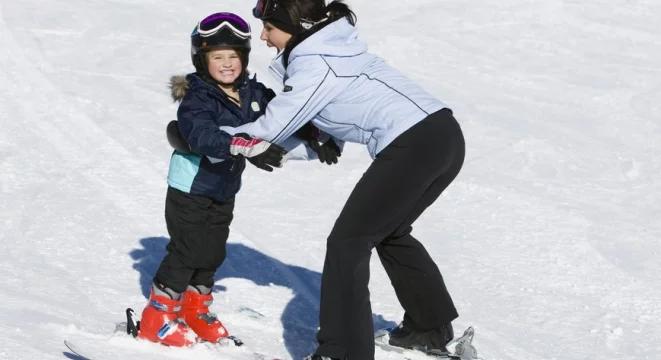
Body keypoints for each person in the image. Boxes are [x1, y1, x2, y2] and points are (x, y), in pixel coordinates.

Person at [216, 1, 467, 359]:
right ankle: (428, 328)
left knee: (348, 241)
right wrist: (280, 148)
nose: (263, 37)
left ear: (293, 24)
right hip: (442, 136)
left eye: (269, 27)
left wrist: (210, 138)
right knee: (389, 231)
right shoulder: (332, 49)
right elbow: (311, 140)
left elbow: (270, 129)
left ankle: (343, 351)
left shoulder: (315, 62)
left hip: (414, 143)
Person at [137, 11, 296, 347]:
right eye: (218, 57)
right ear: (201, 60)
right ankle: (157, 315)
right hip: (191, 188)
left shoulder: (253, 93)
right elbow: (202, 137)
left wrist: (314, 133)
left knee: (212, 251)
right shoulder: (198, 97)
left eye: (234, 56)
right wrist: (246, 147)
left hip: (224, 188)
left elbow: (282, 114)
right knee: (187, 249)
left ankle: (195, 308)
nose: (227, 64)